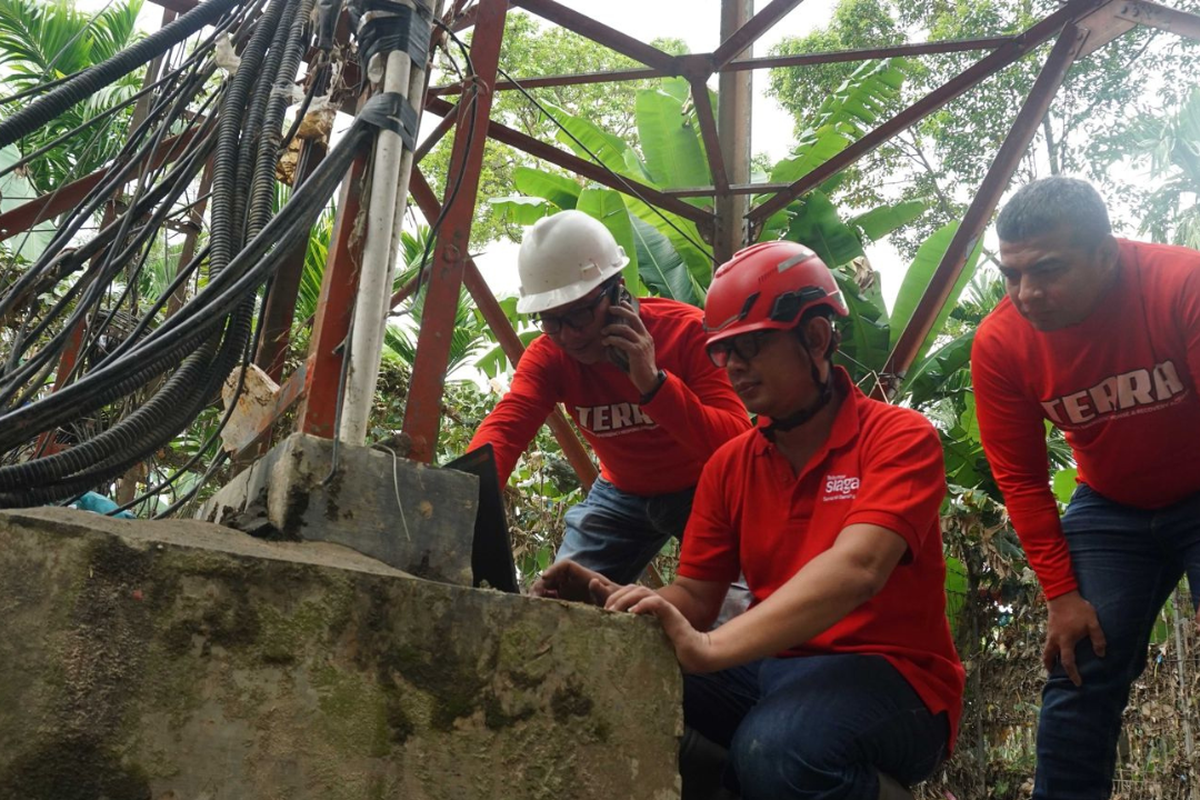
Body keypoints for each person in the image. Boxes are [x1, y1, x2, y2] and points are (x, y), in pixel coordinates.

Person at [538, 241, 964, 800]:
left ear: (816, 338)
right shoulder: (731, 465)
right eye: (724, 352)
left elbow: (858, 569)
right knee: (613, 669)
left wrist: (711, 649)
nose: (734, 366)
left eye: (752, 346)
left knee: (777, 751)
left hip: (896, 680)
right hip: (778, 669)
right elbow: (696, 596)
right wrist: (612, 603)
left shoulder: (897, 438)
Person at [971, 176, 1200, 800]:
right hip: (1111, 504)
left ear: (1106, 253)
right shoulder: (1000, 343)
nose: (1027, 293)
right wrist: (1062, 595)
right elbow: (1021, 479)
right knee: (1078, 666)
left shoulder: (1181, 284)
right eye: (1011, 274)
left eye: (1047, 270)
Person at [469, 210, 751, 593]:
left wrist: (653, 385)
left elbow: (737, 445)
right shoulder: (550, 356)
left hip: (705, 487)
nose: (568, 336)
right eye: (550, 321)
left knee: (739, 605)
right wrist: (467, 499)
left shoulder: (687, 332)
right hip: (621, 494)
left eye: (579, 314)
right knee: (558, 598)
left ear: (618, 291)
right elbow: (506, 428)